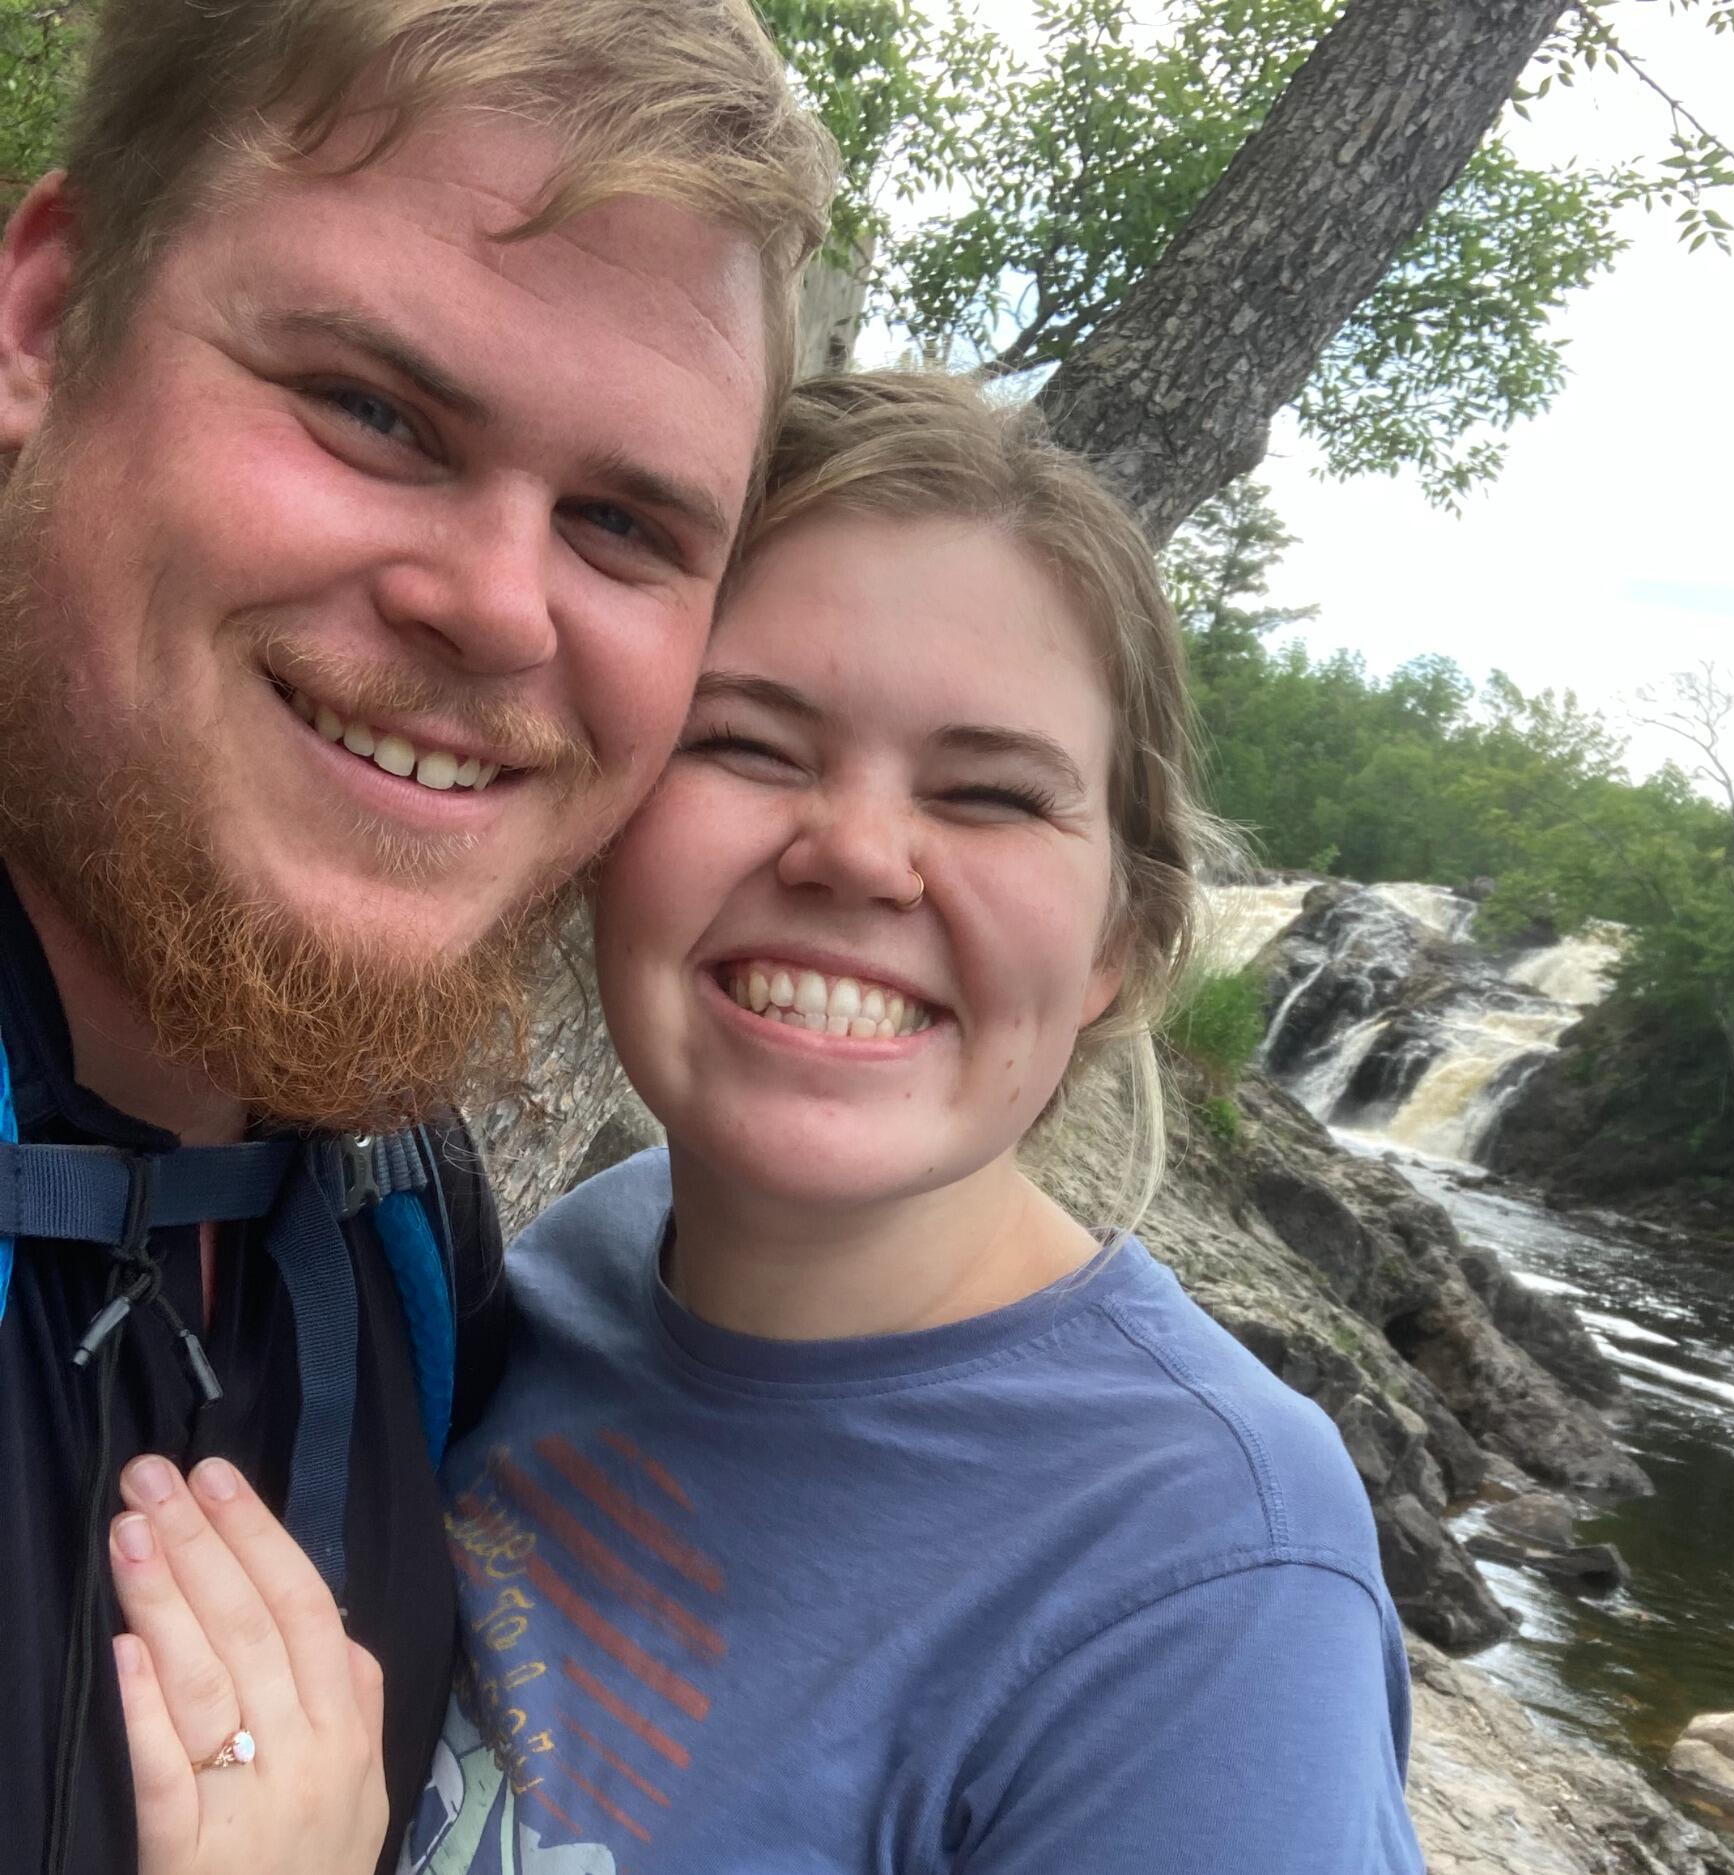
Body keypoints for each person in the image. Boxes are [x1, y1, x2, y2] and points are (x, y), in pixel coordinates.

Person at [109, 372, 1424, 1873]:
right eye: (745, 744)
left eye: (990, 794)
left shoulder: (1208, 1583)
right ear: (601, 824)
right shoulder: (583, 1260)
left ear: (1119, 940)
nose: (859, 854)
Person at [0, 0, 835, 1867]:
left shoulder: (397, 1209)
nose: (495, 610)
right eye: (373, 410)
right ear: (48, 318)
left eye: (624, 524)